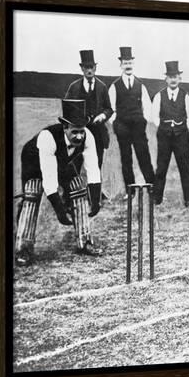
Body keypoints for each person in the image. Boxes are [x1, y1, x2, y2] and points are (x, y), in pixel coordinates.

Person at [16, 99, 103, 265]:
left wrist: (96, 200)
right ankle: (23, 250)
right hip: (34, 162)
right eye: (75, 132)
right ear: (65, 127)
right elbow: (49, 180)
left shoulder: (87, 136)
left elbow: (93, 170)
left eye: (81, 131)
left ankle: (84, 241)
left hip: (62, 162)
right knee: (32, 192)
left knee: (78, 185)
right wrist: (60, 211)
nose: (79, 136)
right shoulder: (47, 137)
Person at [65, 50, 113, 201]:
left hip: (97, 133)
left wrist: (102, 116)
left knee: (96, 163)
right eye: (86, 67)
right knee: (75, 163)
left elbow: (109, 109)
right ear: (82, 69)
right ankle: (69, 195)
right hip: (79, 133)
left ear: (95, 68)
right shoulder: (74, 87)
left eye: (91, 66)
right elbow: (66, 107)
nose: (89, 70)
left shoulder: (102, 87)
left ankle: (95, 195)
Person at [108, 47, 155, 197]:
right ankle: (131, 190)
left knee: (144, 155)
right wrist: (116, 123)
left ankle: (153, 187)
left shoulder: (140, 85)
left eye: (130, 62)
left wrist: (143, 120)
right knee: (126, 158)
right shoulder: (114, 86)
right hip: (122, 127)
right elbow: (110, 108)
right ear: (121, 65)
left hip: (138, 127)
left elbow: (147, 107)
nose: (128, 65)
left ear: (133, 63)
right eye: (125, 62)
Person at [150, 61, 189, 207]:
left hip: (181, 136)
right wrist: (164, 127)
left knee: (185, 167)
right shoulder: (159, 96)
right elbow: (154, 116)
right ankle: (157, 199)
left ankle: (188, 199)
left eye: (175, 76)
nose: (173, 79)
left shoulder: (185, 96)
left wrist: (182, 128)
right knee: (161, 167)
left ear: (180, 78)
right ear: (166, 79)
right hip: (164, 136)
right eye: (170, 77)